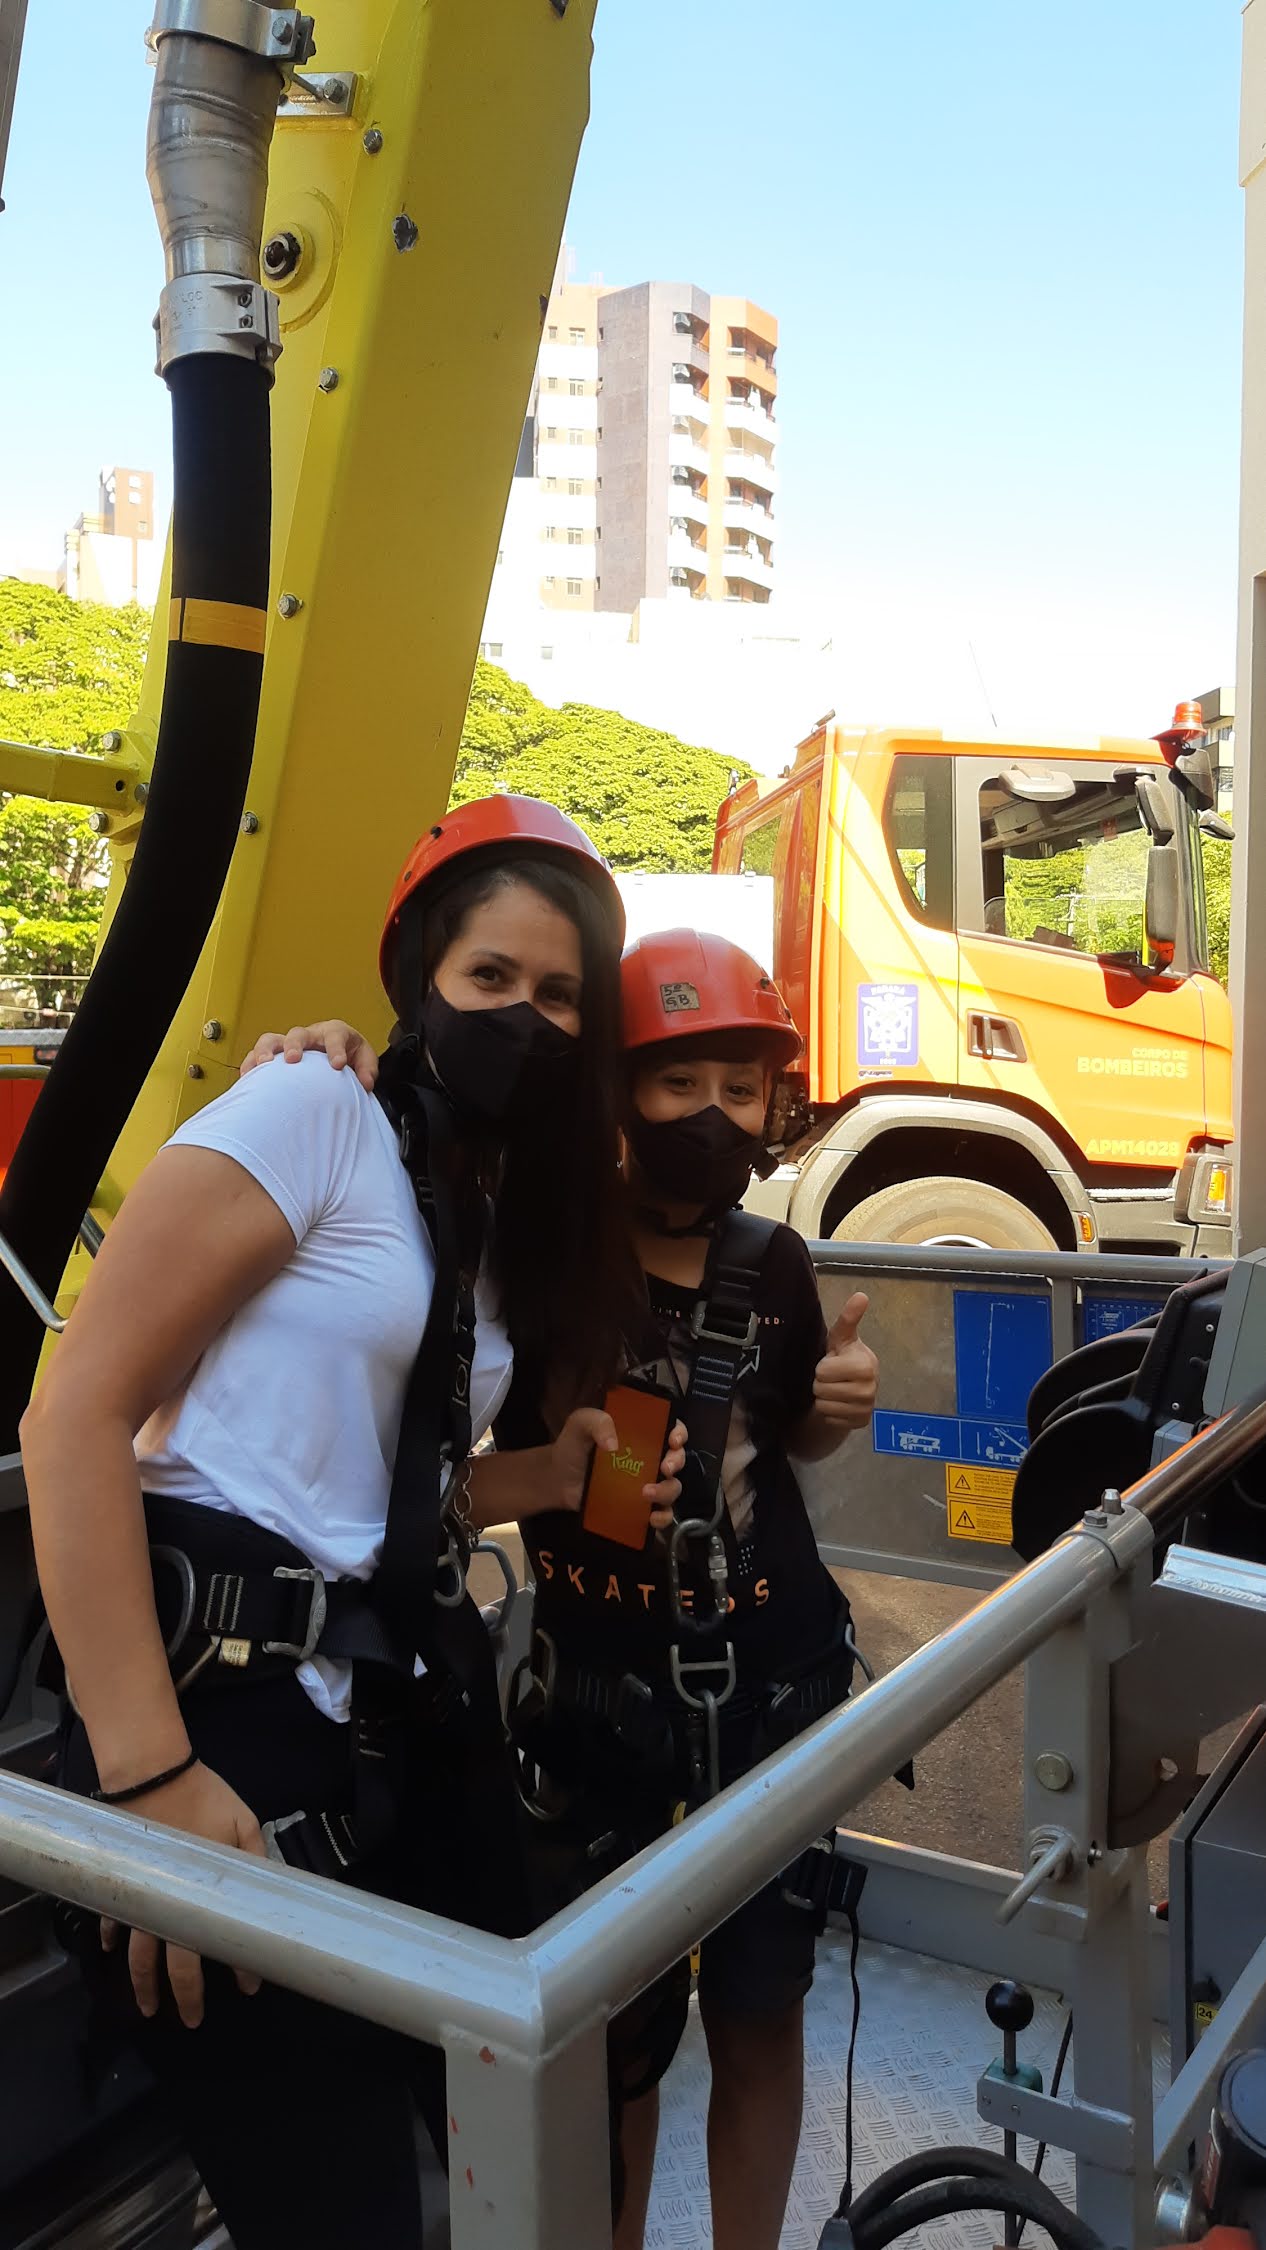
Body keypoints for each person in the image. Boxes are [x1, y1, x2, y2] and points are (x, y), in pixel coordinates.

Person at [21, 795, 685, 2250]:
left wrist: (545, 1477)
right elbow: (73, 1417)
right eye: (490, 976)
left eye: (560, 993)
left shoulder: (478, 1207)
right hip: (213, 1722)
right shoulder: (311, 1114)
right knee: (347, 2212)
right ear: (417, 980)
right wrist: (149, 1784)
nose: (524, 1017)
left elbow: (369, 1494)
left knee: (543, 2124)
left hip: (387, 1710)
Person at [241, 925, 879, 2250]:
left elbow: (783, 1447)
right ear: (613, 1093)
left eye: (741, 1088)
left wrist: (828, 1409)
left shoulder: (775, 1267)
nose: (711, 1116)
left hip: (766, 1693)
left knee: (759, 2013)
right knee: (613, 2037)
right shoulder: (531, 1263)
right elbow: (443, 1471)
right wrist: (323, 1057)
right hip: (596, 1704)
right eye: (676, 1081)